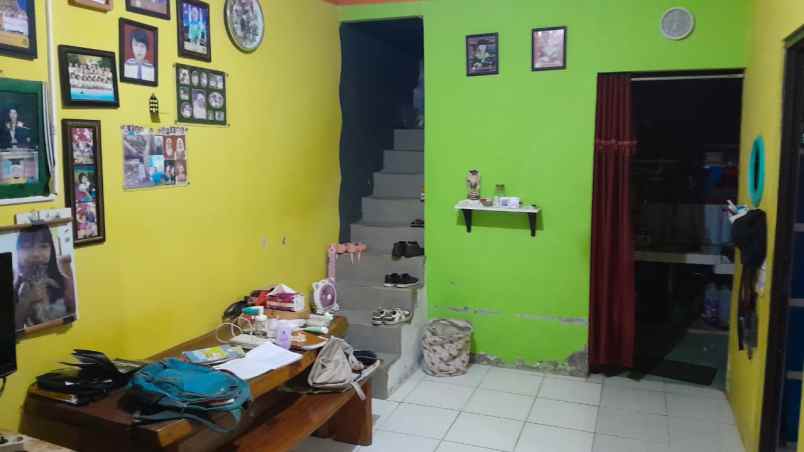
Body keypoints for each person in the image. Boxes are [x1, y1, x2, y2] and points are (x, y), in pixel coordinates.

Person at [14, 225, 75, 331]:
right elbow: (16, 329)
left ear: (51, 249)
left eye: (43, 246)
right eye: (27, 247)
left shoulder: (64, 279)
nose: (35, 254)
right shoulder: (16, 286)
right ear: (18, 251)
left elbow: (75, 315)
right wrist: (25, 302)